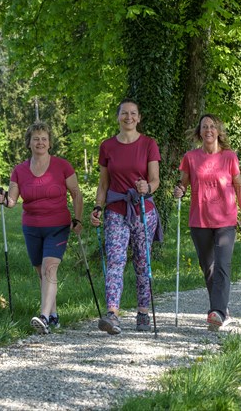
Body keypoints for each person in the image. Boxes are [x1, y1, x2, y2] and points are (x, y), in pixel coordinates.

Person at [0, 121, 83, 334]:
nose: (40, 142)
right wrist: (4, 200)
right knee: (41, 273)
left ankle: (42, 316)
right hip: (32, 228)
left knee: (50, 269)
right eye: (36, 139)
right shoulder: (19, 170)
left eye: (44, 138)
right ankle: (53, 316)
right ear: (29, 143)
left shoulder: (63, 166)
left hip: (58, 226)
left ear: (50, 143)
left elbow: (76, 193)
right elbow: (13, 201)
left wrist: (78, 219)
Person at [173, 113, 241, 330]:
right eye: (204, 127)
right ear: (199, 132)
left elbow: (238, 186)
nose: (208, 130)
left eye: (212, 126)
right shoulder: (190, 157)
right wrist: (179, 191)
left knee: (223, 266)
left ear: (218, 131)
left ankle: (216, 312)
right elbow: (183, 184)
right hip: (199, 219)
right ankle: (222, 310)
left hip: (226, 219)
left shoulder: (229, 157)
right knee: (208, 267)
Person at [90, 98, 162, 335]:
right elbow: (103, 184)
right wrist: (98, 208)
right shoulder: (107, 146)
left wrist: (147, 188)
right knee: (115, 261)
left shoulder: (149, 144)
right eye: (124, 113)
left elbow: (155, 180)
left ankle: (143, 313)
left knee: (143, 261)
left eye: (133, 113)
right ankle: (112, 313)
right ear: (118, 117)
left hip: (143, 210)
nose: (128, 117)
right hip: (116, 211)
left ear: (139, 118)